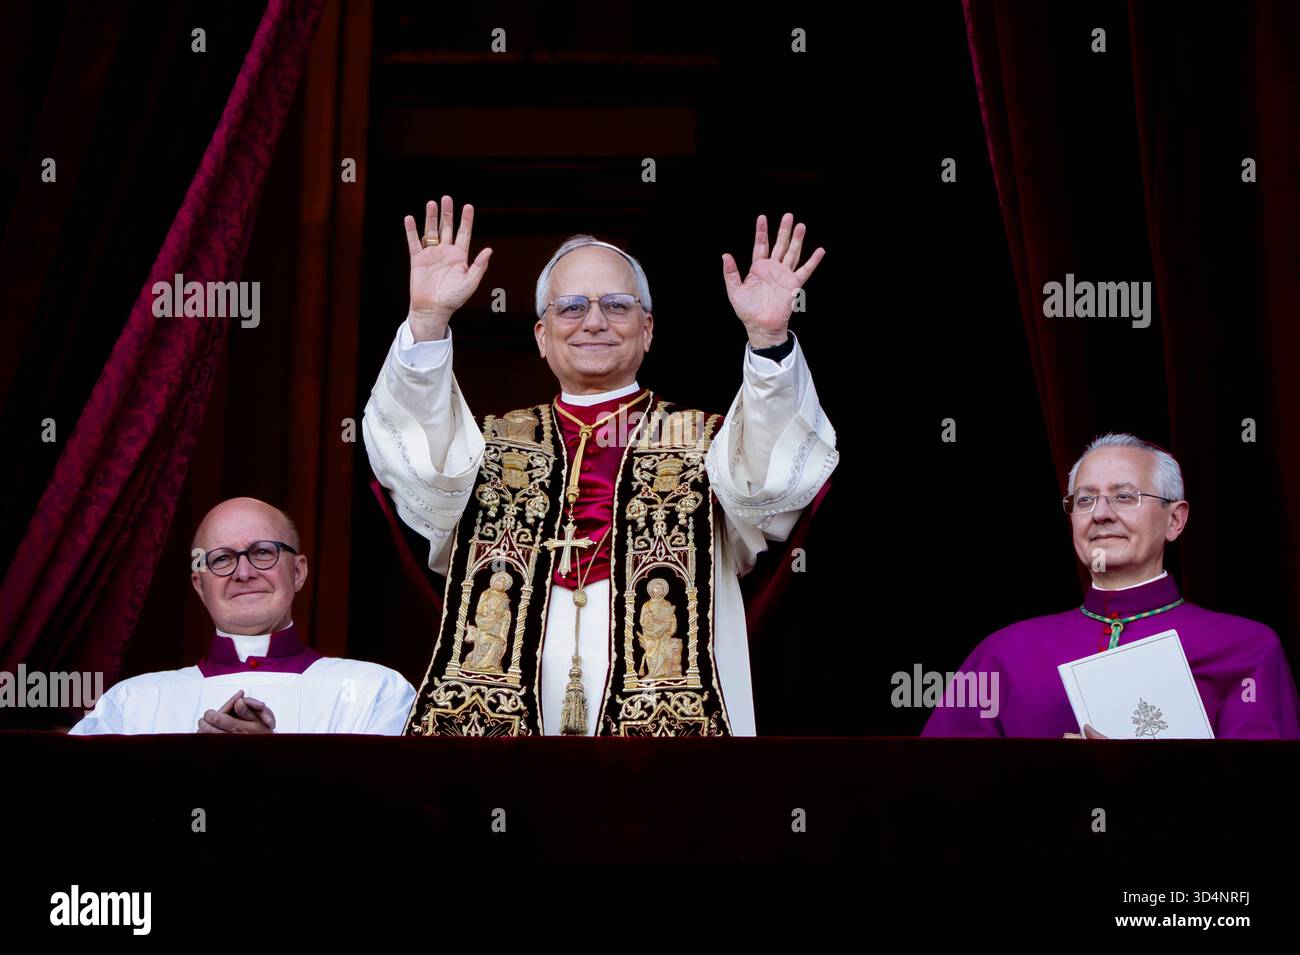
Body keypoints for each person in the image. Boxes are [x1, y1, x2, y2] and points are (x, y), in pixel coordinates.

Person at [363, 195, 838, 736]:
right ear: (541, 337)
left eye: (617, 305)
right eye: (570, 307)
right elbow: (416, 471)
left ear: (649, 330)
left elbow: (778, 483)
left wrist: (768, 340)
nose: (594, 321)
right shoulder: (485, 445)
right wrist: (427, 322)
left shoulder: (709, 441)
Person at [922, 433, 1300, 739]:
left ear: (1175, 520)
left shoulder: (1246, 649)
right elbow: (938, 790)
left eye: (1124, 496)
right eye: (1085, 500)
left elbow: (1264, 802)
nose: (1101, 514)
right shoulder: (1003, 653)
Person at [69, 497, 415, 735]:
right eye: (221, 559)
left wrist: (270, 764)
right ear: (199, 585)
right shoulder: (131, 704)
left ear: (297, 572)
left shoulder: (375, 692)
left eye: (263, 552)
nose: (244, 572)